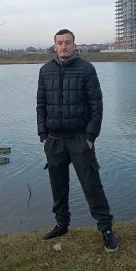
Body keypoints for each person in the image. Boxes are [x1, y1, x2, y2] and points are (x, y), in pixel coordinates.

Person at [37, 28, 118, 252]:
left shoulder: (86, 69)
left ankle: (106, 229)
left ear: (74, 45)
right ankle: (62, 225)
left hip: (80, 139)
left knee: (92, 186)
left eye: (68, 42)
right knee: (58, 186)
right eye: (60, 43)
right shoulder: (45, 70)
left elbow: (96, 105)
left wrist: (90, 136)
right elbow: (40, 105)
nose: (64, 46)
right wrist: (43, 135)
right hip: (54, 140)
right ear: (54, 46)